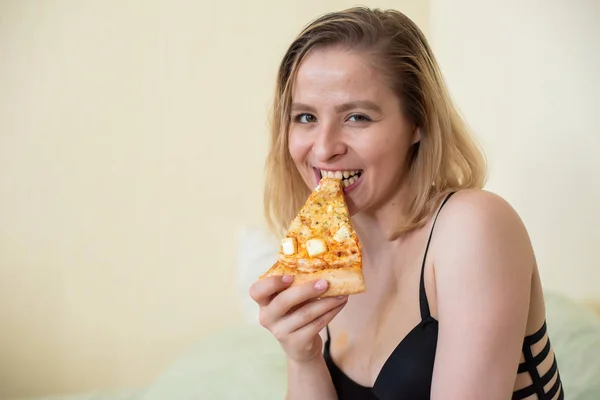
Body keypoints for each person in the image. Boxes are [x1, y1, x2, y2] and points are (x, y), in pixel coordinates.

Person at [249, 6, 563, 400]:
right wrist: (302, 355)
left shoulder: (473, 226)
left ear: (418, 124)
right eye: (306, 117)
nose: (325, 148)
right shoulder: (328, 260)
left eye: (357, 117)